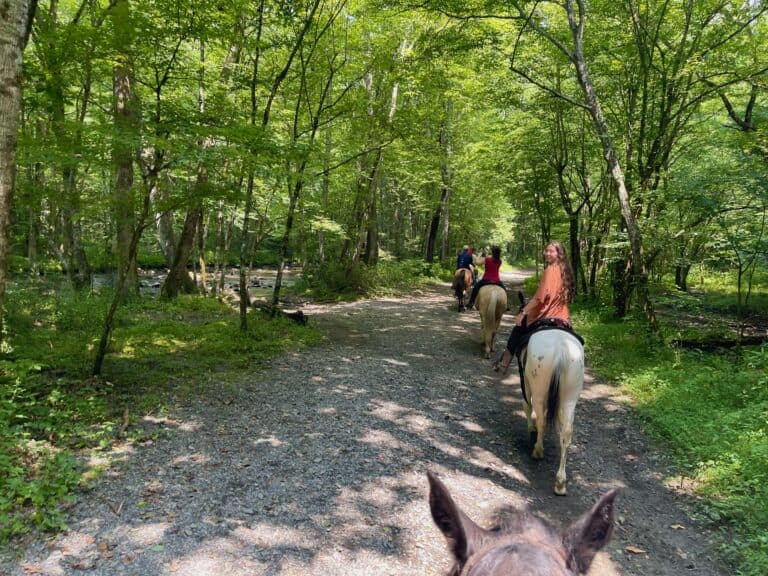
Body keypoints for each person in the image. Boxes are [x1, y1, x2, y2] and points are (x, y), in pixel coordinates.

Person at [503, 240, 575, 359]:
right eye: (546, 251)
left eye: (551, 251)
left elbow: (539, 299)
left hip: (545, 314)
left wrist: (523, 312)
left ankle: (503, 363)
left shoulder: (549, 270)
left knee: (517, 331)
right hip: (563, 317)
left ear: (559, 253)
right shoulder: (567, 271)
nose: (547, 253)